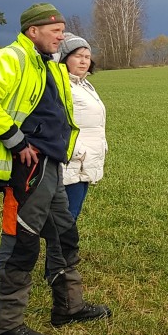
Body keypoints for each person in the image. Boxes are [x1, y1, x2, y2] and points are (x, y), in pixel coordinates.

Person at [0, 3, 112, 335]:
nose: (62, 37)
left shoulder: (48, 65)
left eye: (62, 31)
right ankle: (5, 327)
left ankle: (69, 306)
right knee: (21, 242)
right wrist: (16, 141)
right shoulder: (11, 58)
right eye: (56, 31)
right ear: (33, 31)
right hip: (25, 171)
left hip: (50, 167)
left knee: (64, 234)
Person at [58, 34, 106, 220]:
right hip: (72, 161)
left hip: (86, 160)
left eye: (87, 57)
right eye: (78, 56)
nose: (83, 61)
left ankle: (62, 249)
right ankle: (61, 250)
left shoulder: (85, 85)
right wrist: (76, 151)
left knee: (71, 214)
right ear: (64, 58)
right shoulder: (62, 86)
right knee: (66, 216)